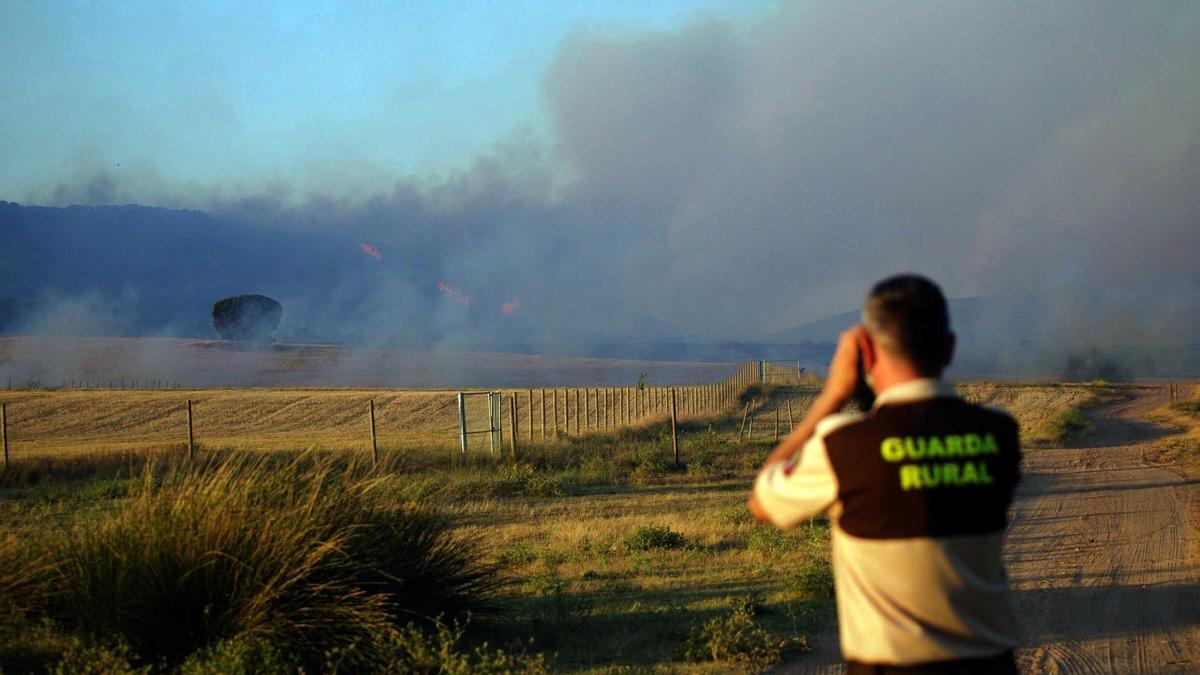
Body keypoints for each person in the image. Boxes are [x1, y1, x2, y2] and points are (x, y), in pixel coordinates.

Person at [748, 274, 1021, 674]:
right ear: (949, 348)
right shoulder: (999, 433)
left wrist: (833, 397)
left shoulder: (843, 445)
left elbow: (762, 503)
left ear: (865, 352)